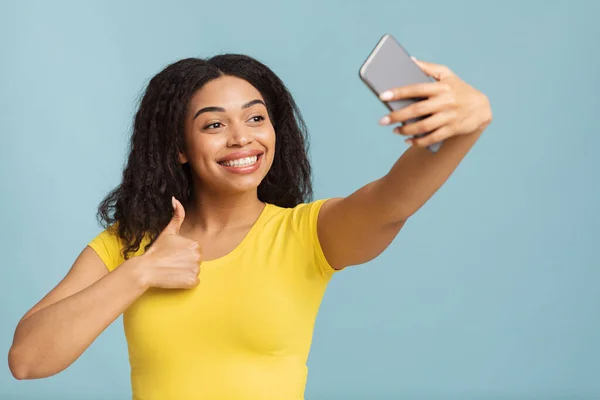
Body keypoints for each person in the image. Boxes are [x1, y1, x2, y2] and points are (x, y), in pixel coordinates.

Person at [8, 53, 492, 399]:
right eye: (214, 125)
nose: (242, 138)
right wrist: (140, 272)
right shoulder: (129, 244)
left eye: (256, 118)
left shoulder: (308, 234)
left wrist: (468, 123)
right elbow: (28, 360)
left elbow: (393, 201)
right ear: (179, 147)